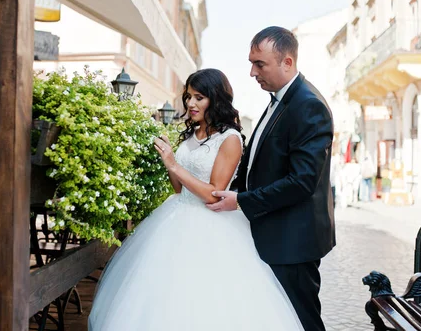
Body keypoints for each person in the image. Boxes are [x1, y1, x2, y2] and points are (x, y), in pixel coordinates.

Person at [88, 68, 303, 331]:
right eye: (188, 96)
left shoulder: (230, 139)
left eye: (199, 97)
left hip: (212, 224)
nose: (190, 103)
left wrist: (174, 165)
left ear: (216, 99)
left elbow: (215, 191)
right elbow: (179, 190)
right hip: (176, 215)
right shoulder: (192, 133)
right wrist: (169, 160)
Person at [209, 26, 335, 331]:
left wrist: (241, 201)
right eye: (252, 63)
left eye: (260, 64)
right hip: (273, 233)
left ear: (287, 63)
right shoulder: (277, 100)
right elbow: (260, 165)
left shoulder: (308, 106)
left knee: (301, 320)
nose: (252, 72)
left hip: (292, 240)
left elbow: (302, 181)